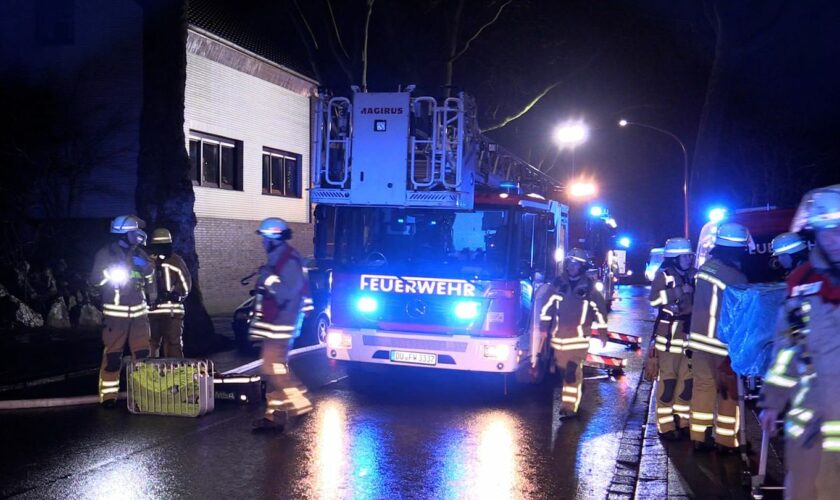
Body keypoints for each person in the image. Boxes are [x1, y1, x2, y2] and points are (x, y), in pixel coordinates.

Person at [759, 184, 840, 499]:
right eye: (826, 230)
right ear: (816, 232)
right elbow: (787, 347)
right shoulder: (802, 284)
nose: (834, 239)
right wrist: (772, 401)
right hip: (809, 420)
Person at [687, 222, 750, 451]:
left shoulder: (705, 269)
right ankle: (725, 441)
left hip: (699, 340)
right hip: (723, 346)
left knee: (703, 387)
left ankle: (698, 437)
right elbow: (740, 315)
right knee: (728, 391)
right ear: (738, 249)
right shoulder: (736, 277)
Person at [251, 217, 314, 431]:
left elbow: (287, 292)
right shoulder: (280, 258)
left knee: (272, 367)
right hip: (276, 323)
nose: (262, 243)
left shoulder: (288, 260)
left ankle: (301, 403)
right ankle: (274, 417)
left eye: (264, 238)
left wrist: (267, 278)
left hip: (282, 324)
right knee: (272, 370)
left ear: (273, 238)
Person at [90, 215, 156, 408]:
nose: (138, 236)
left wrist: (147, 269)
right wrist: (110, 273)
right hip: (116, 315)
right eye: (134, 233)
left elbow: (151, 279)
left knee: (143, 355)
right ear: (125, 233)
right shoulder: (106, 254)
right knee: (113, 357)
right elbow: (94, 280)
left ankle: (144, 394)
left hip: (140, 315)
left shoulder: (141, 254)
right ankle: (109, 396)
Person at [536, 248, 609, 418]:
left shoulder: (589, 288)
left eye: (575, 263)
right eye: (570, 263)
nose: (571, 266)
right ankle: (577, 386)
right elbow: (546, 308)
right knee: (564, 371)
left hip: (579, 338)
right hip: (559, 338)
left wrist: (603, 331)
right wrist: (543, 328)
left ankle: (569, 407)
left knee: (570, 371)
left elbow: (600, 310)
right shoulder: (558, 285)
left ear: (582, 266)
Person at [646, 237, 695, 440]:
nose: (689, 259)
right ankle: (665, 426)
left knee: (687, 383)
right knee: (667, 383)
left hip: (688, 336)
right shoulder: (663, 276)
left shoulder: (694, 275)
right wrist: (677, 292)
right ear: (674, 257)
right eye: (684, 256)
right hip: (668, 337)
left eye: (689, 256)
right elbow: (654, 300)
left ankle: (683, 422)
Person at [147, 228, 192, 358]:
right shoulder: (176, 261)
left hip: (153, 311)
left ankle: (150, 375)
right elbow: (186, 285)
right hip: (171, 312)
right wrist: (176, 294)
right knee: (173, 344)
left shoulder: (147, 262)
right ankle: (174, 374)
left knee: (151, 344)